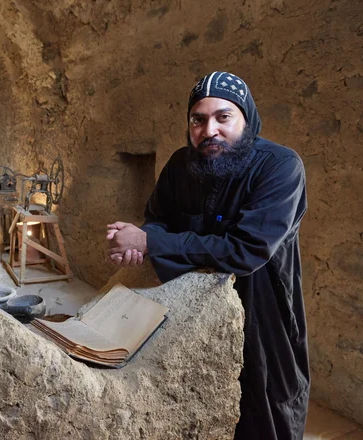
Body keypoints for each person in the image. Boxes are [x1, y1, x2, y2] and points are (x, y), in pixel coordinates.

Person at [106, 71, 309, 439]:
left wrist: (149, 242)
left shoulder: (280, 167)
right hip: (192, 309)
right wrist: (138, 239)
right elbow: (158, 219)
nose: (209, 130)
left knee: (267, 407)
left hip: (264, 312)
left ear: (246, 120)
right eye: (198, 120)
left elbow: (245, 250)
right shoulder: (181, 165)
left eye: (223, 117)